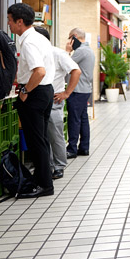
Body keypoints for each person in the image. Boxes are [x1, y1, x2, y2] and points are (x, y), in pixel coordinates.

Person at [7, 3, 55, 198]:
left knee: (36, 142)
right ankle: (42, 180)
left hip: (36, 93)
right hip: (45, 92)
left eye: (10, 20)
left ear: (20, 22)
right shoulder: (38, 37)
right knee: (40, 140)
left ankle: (44, 185)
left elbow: (39, 71)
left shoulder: (29, 42)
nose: (8, 24)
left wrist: (25, 90)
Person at [34, 27, 80, 180]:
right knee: (41, 135)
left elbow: (76, 71)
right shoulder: (33, 53)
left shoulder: (57, 53)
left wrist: (66, 93)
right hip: (37, 98)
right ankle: (46, 165)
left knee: (55, 134)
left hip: (54, 98)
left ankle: (59, 166)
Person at [66, 27, 95, 158]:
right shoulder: (89, 50)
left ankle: (71, 148)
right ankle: (84, 147)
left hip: (77, 90)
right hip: (85, 89)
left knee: (74, 119)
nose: (69, 41)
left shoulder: (81, 51)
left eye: (70, 38)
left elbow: (65, 64)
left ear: (75, 37)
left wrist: (67, 51)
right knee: (83, 119)